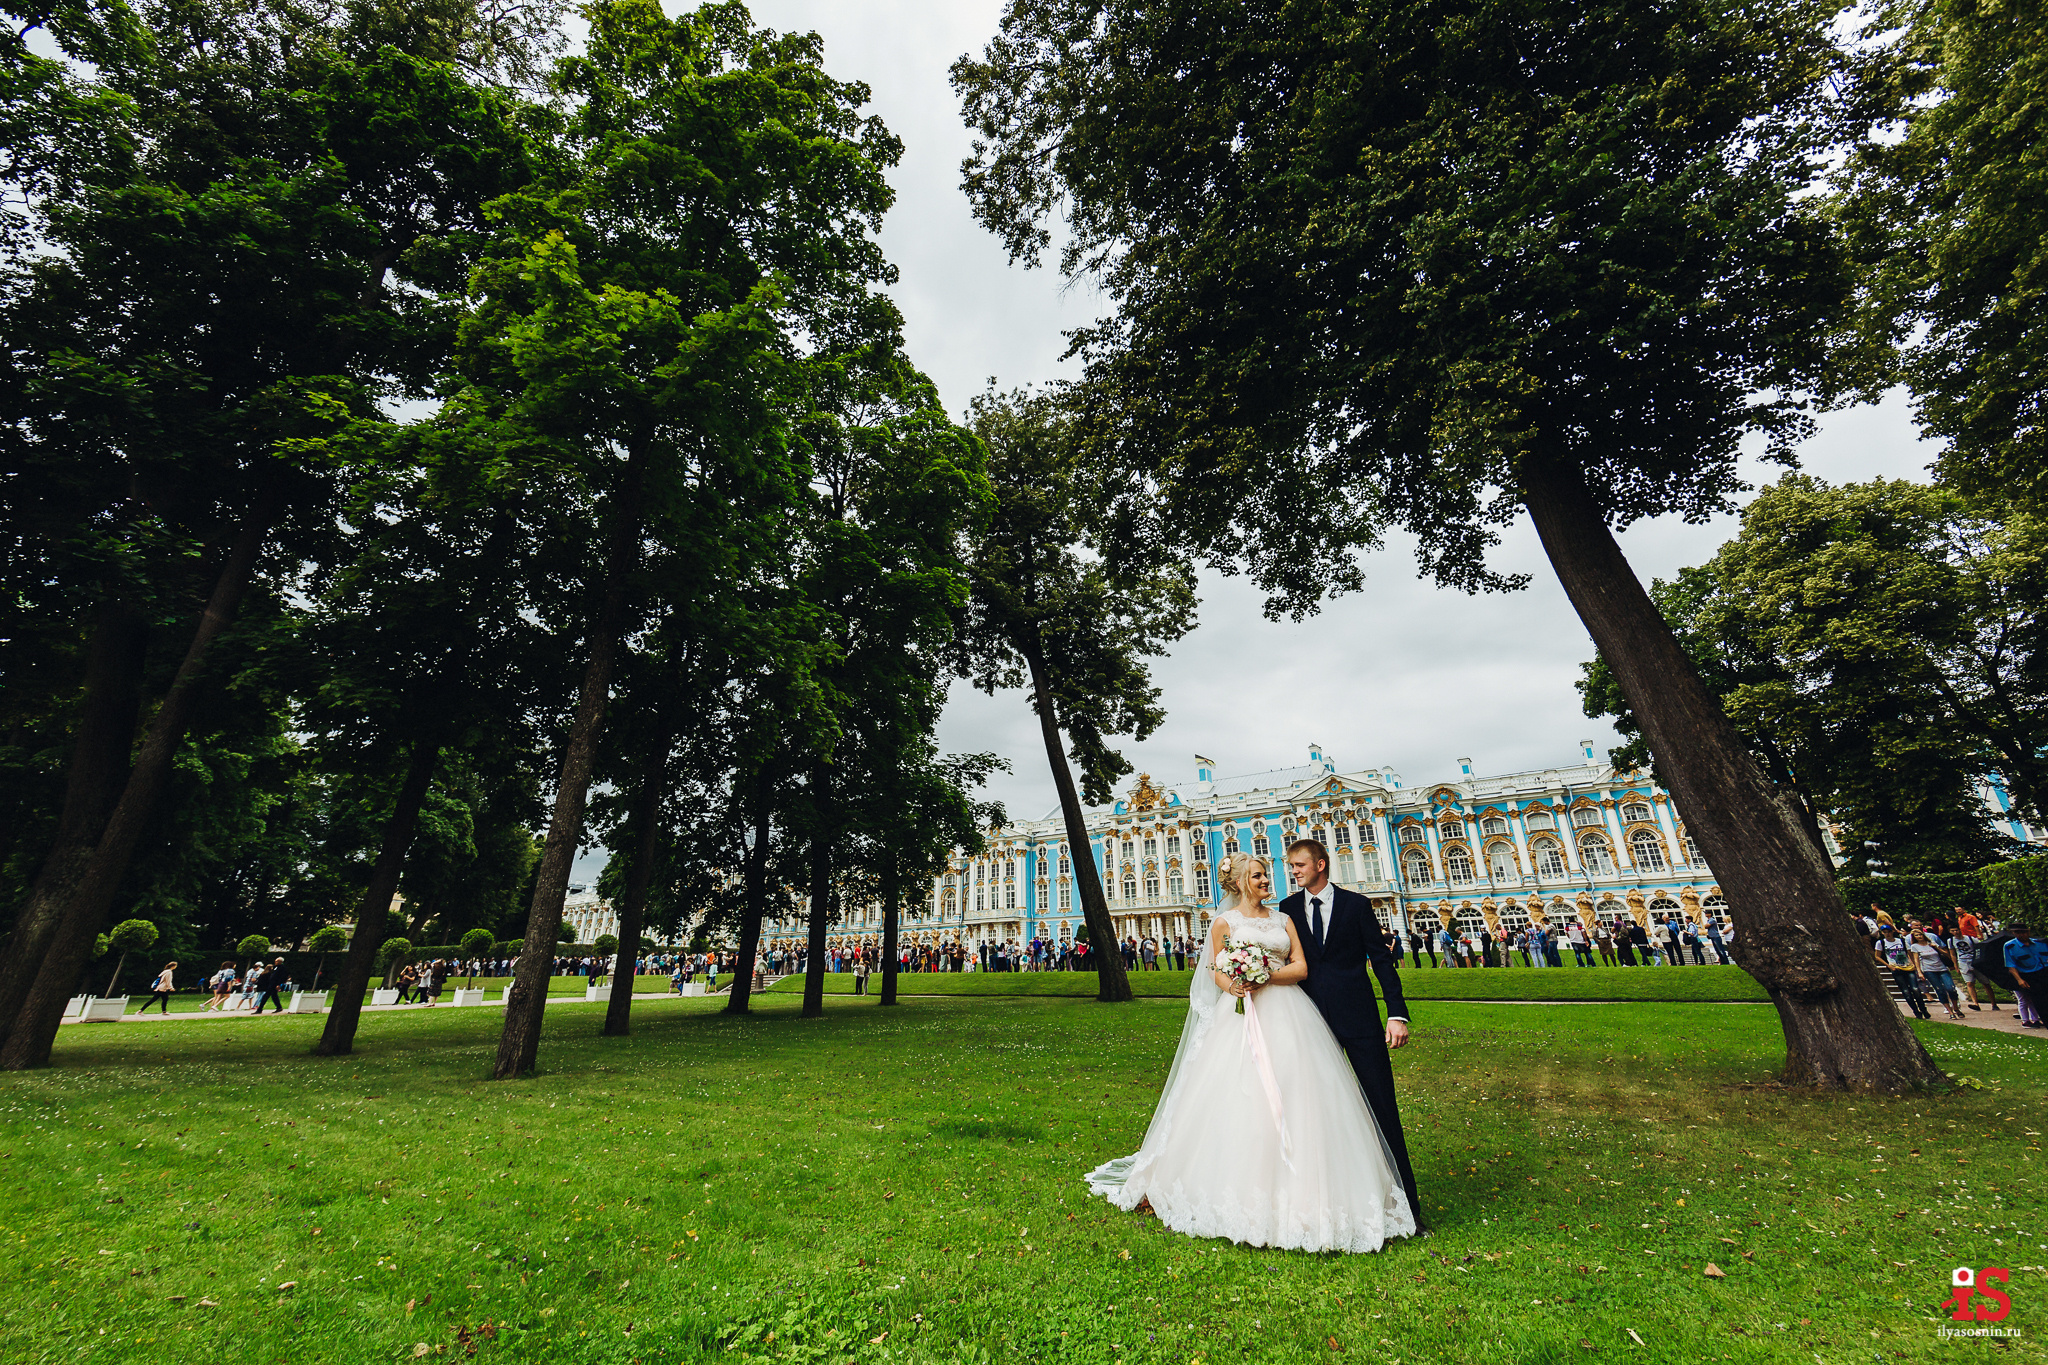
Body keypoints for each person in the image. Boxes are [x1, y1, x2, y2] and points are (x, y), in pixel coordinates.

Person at [1085, 851, 1418, 1253]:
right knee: (1246, 1097)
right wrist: (1237, 984)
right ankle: (1252, 1188)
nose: (1276, 877)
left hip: (1313, 1015)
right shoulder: (1245, 918)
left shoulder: (1293, 916)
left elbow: (1314, 966)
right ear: (1243, 882)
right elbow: (1218, 971)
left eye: (1290, 868)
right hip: (1254, 1015)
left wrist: (1264, 973)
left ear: (1320, 864)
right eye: (1262, 874)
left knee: (1342, 1100)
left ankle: (1398, 1198)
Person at [1873, 928, 1930, 1020]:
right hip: (1896, 968)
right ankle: (1916, 1011)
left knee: (1915, 989)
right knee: (1906, 991)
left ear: (1892, 932)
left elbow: (1909, 953)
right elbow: (1877, 956)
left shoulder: (1901, 941)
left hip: (1908, 967)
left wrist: (1914, 964)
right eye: (1885, 932)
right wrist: (1889, 965)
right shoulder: (1881, 943)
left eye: (1889, 932)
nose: (1887, 934)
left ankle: (1923, 1009)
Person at [1911, 931, 1964, 1021]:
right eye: (1917, 935)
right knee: (1940, 990)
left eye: (1920, 934)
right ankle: (1950, 1012)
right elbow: (1916, 960)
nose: (1919, 936)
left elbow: (1946, 954)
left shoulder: (1931, 943)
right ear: (1914, 937)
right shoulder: (1915, 946)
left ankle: (1956, 1008)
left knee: (1951, 988)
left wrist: (1936, 948)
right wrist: (1919, 972)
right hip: (1929, 970)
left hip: (1942, 968)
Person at [2003, 931, 2046, 1028]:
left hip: (2035, 975)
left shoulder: (2038, 944)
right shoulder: (2010, 946)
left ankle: (2035, 1019)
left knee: (2032, 999)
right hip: (2019, 976)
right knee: (2022, 999)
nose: (2022, 935)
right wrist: (2019, 979)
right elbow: (2011, 966)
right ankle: (2025, 1020)